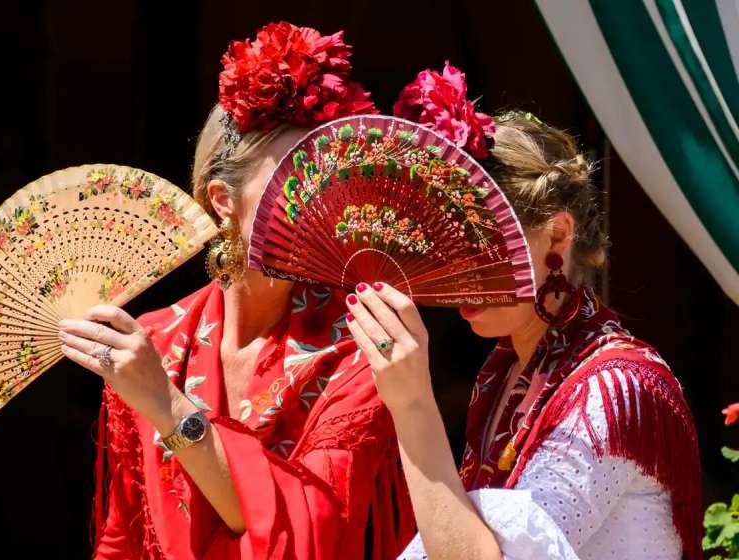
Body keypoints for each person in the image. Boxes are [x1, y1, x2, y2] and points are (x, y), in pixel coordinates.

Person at [58, 22, 415, 560]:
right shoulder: (152, 343)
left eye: (329, 179)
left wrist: (167, 404)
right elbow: (123, 538)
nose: (318, 204)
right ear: (224, 199)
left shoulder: (361, 347)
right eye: (294, 180)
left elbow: (310, 531)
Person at [344, 63, 702, 559]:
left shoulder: (612, 388)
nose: (454, 276)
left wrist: (413, 406)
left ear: (556, 234)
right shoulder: (510, 371)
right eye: (441, 251)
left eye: (478, 247)